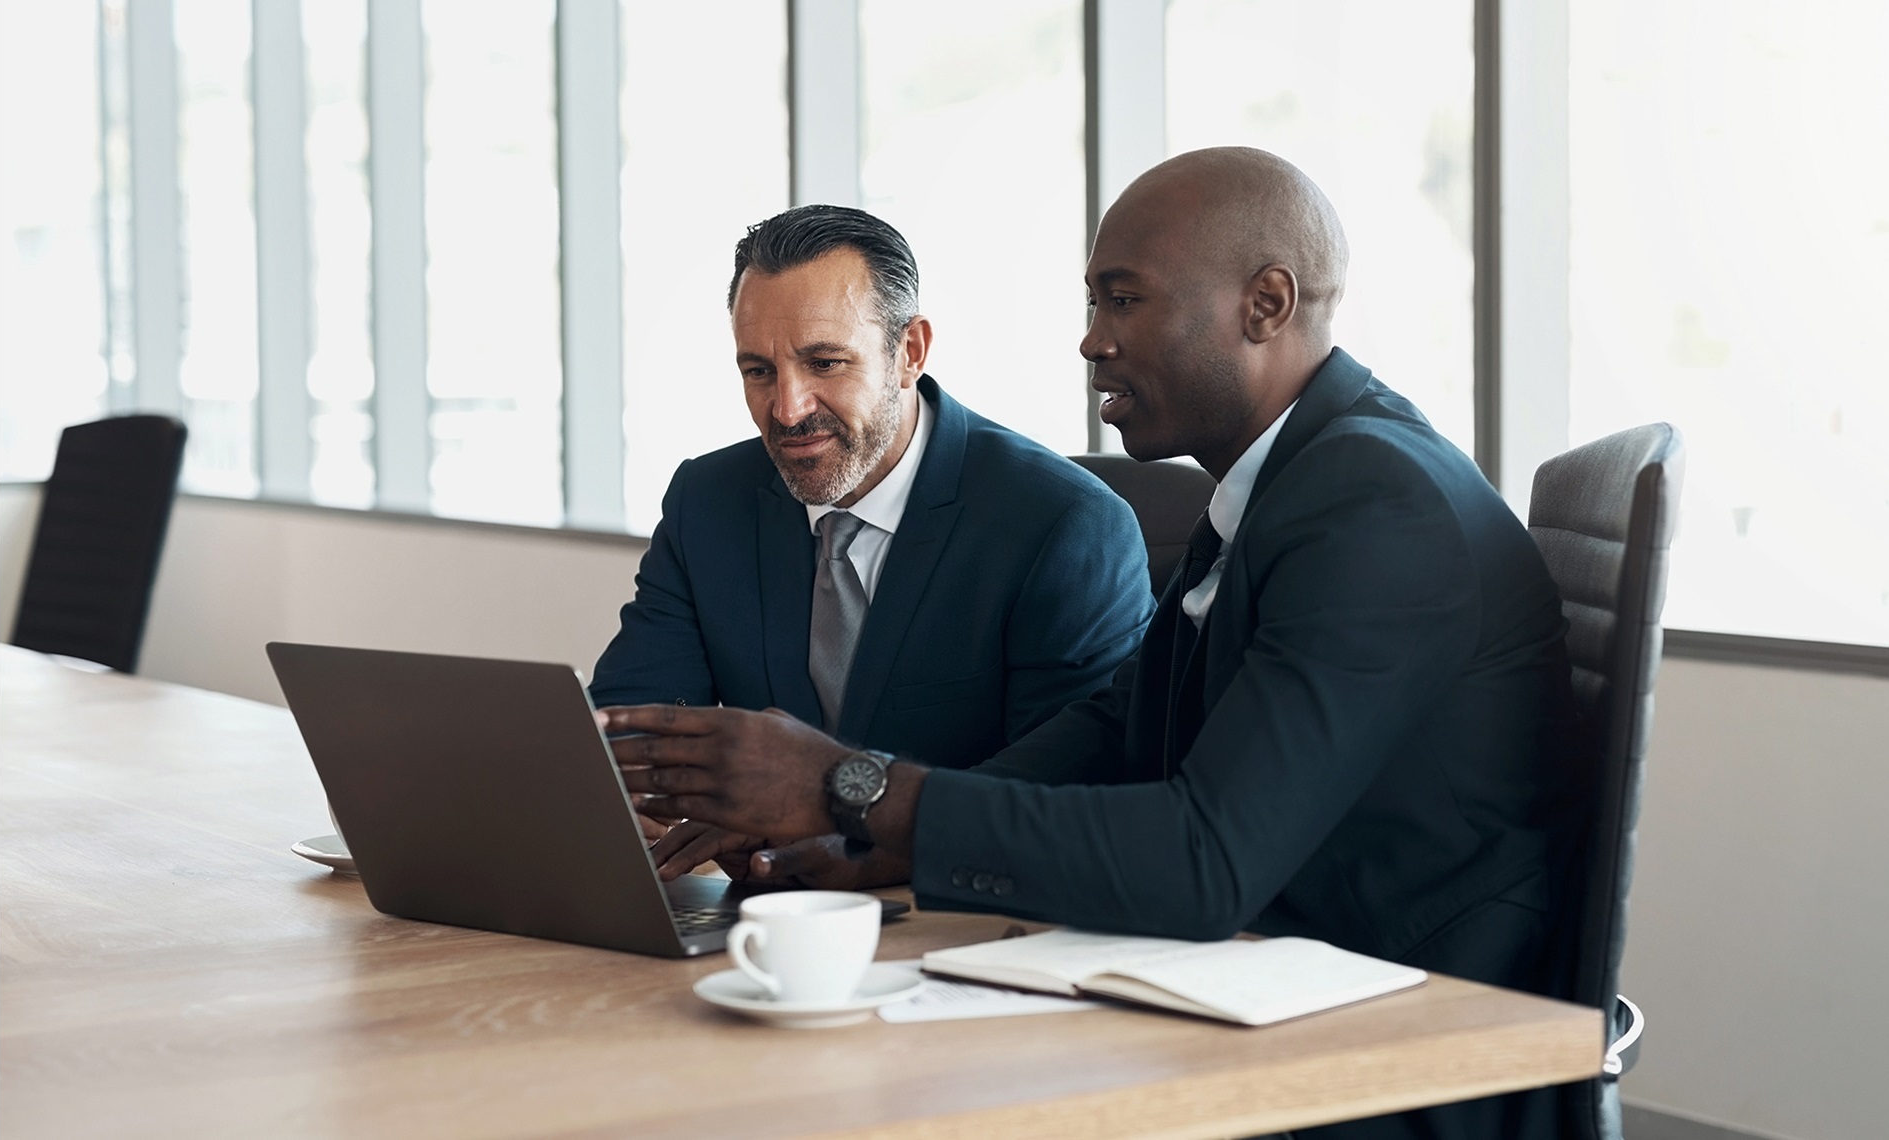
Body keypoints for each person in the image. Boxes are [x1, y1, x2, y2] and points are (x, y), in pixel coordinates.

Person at [605, 151, 1579, 1139]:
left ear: (1266, 305)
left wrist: (849, 785)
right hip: (1279, 977)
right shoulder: (1283, 483)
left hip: (1402, 1047)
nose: (1091, 342)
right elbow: (1120, 728)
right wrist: (867, 840)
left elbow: (1206, 861)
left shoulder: (1375, 503)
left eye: (1124, 302)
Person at [592, 204, 1154, 889]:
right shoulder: (707, 500)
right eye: (759, 371)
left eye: (824, 362)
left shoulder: (1065, 526)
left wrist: (835, 826)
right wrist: (667, 791)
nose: (788, 408)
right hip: (764, 918)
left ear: (909, 352)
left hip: (961, 924)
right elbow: (632, 724)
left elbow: (1065, 797)